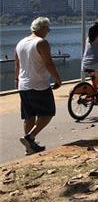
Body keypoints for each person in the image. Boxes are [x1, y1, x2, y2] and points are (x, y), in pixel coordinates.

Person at [14, 17, 62, 155]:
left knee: (29, 116)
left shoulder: (20, 43)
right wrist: (58, 80)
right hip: (39, 84)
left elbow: (17, 64)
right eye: (48, 29)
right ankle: (30, 137)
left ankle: (29, 146)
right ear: (42, 28)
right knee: (48, 113)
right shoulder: (42, 43)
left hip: (23, 85)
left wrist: (17, 81)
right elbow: (49, 63)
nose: (48, 32)